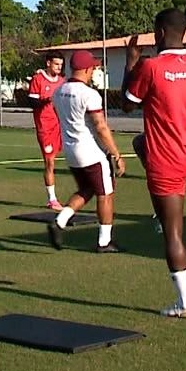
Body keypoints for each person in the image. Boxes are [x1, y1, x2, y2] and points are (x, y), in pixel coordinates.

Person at [121, 8, 186, 321]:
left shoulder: (150, 67)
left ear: (161, 32)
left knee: (173, 234)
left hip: (168, 160)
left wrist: (131, 62)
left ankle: (185, 304)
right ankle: (159, 213)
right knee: (140, 143)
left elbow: (126, 105)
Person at [47, 50, 126, 253]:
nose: (93, 71)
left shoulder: (58, 91)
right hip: (90, 152)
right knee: (105, 194)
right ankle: (104, 242)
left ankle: (60, 221)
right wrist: (116, 153)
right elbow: (100, 127)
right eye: (93, 67)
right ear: (86, 68)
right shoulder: (90, 94)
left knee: (86, 189)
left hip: (71, 151)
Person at [27, 53, 66, 210]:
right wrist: (46, 100)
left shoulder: (62, 82)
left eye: (61, 65)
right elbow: (32, 102)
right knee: (50, 162)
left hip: (61, 126)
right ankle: (52, 199)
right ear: (48, 63)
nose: (58, 67)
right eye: (56, 64)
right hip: (45, 128)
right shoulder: (38, 79)